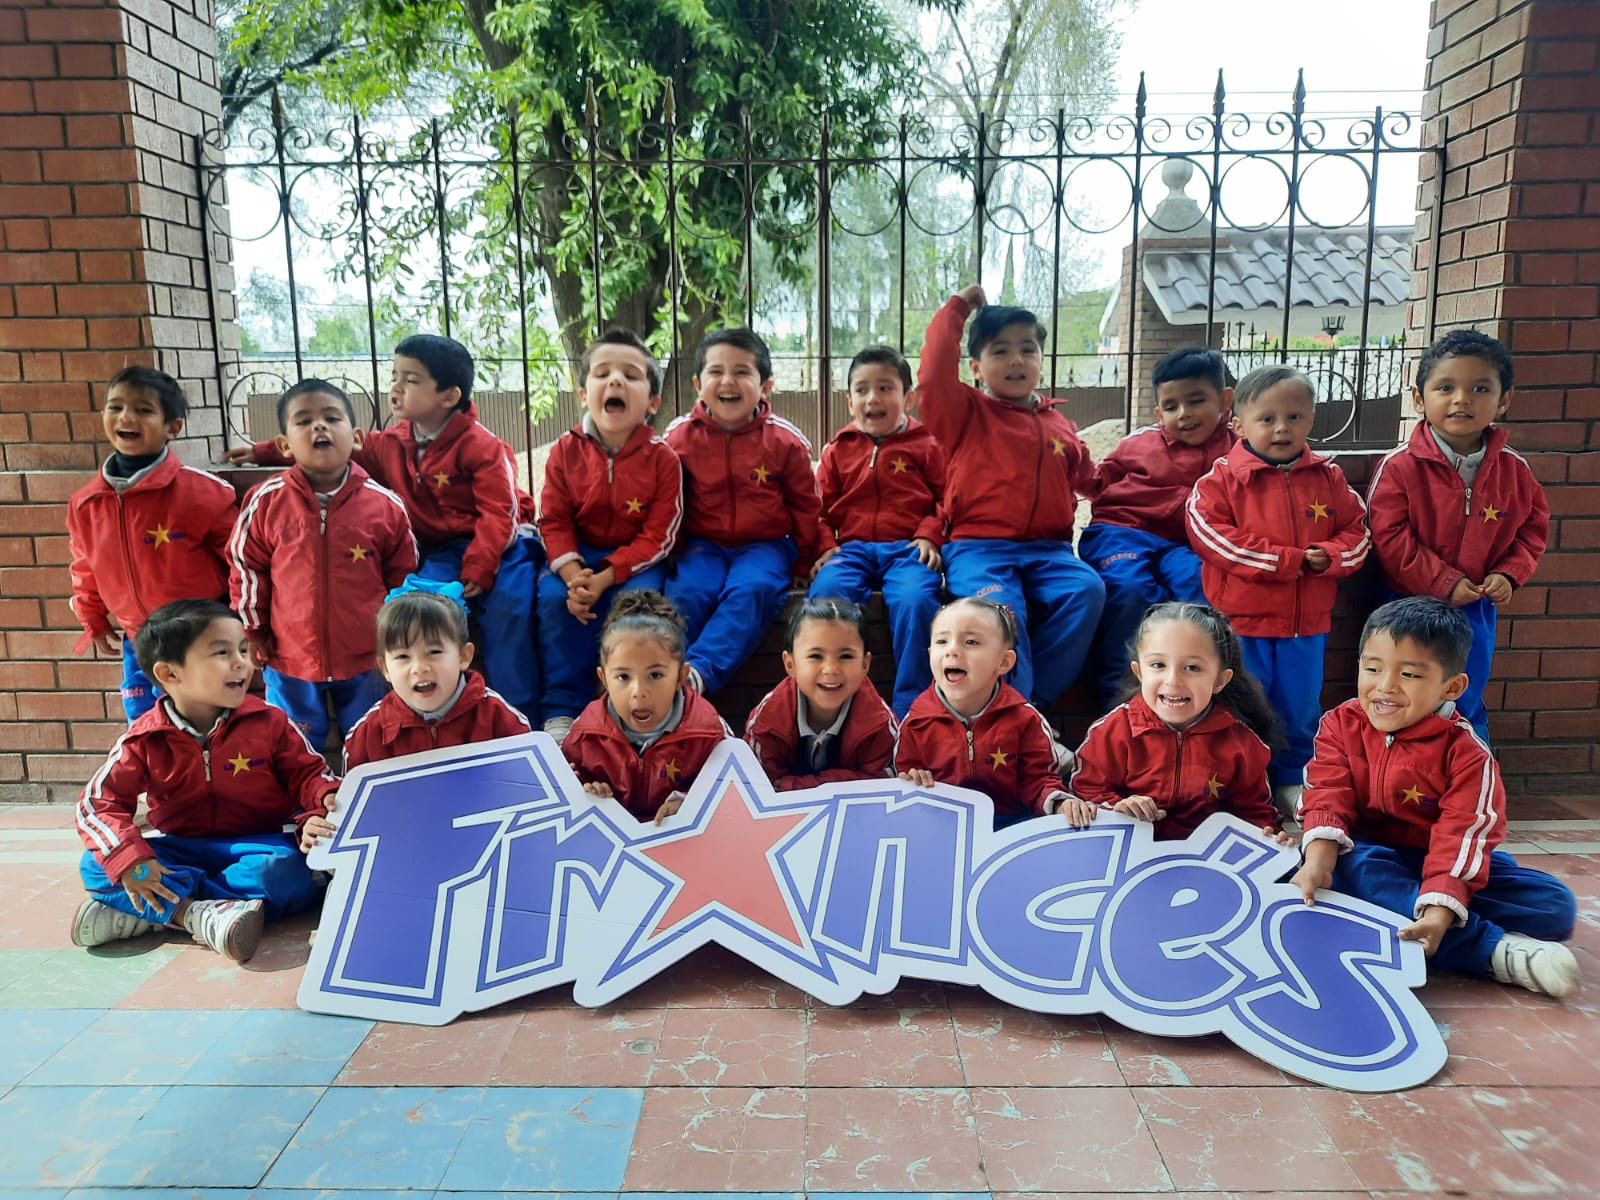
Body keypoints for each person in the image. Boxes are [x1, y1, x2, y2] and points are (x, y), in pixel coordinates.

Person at [226, 334, 541, 721]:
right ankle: (442, 706)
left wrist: (480, 565)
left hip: (500, 546)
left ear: (447, 396)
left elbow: (501, 514)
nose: (395, 387)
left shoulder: (484, 446)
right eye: (395, 375)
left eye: (411, 379)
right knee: (421, 606)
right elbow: (327, 442)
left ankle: (515, 711)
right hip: (437, 553)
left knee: (509, 608)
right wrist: (263, 451)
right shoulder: (390, 443)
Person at [1292, 597, 1579, 998]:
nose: (1385, 685)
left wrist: (1441, 905)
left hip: (1440, 859)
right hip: (1369, 854)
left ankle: (1415, 910)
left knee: (1554, 905)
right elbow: (1326, 794)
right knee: (1353, 867)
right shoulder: (1340, 724)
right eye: (1372, 668)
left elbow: (1463, 837)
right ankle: (1493, 951)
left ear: (1452, 686)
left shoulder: (1467, 754)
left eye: (1408, 673)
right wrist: (1319, 862)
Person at [70, 599, 340, 962]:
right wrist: (133, 860)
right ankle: (197, 916)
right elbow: (95, 806)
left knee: (289, 871)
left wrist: (320, 808)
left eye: (242, 650)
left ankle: (155, 912)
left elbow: (310, 776)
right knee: (99, 864)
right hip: (180, 847)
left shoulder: (270, 722)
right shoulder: (144, 739)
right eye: (221, 653)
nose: (242, 663)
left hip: (255, 845)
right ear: (169, 674)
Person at [1185, 365, 1368, 816]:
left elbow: (1358, 530)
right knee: (1236, 708)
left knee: (1300, 709)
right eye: (1267, 419)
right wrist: (1286, 561)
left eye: (1294, 417)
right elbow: (1210, 536)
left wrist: (1333, 555)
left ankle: (1290, 783)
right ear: (1238, 424)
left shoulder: (1329, 478)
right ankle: (1232, 786)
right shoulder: (1220, 480)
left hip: (1305, 627)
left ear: (1311, 419)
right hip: (1241, 624)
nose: (1281, 428)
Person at [915, 285, 1104, 711]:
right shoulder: (965, 412)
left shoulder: (1060, 423)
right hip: (979, 548)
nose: (1017, 360)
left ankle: (1026, 710)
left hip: (1051, 552)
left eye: (1027, 349)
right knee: (1003, 612)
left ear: (1040, 360)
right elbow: (931, 374)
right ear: (976, 367)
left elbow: (1093, 479)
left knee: (1089, 590)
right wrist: (958, 308)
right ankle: (1016, 715)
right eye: (1000, 351)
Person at [1365, 330, 1547, 743]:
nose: (1461, 399)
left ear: (1504, 400)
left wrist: (1509, 574)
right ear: (1418, 398)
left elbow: (1533, 531)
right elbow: (1388, 537)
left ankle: (1468, 771)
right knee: (1404, 691)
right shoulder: (1399, 466)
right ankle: (1397, 775)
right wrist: (1444, 583)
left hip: (1477, 608)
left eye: (1480, 388)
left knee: (1464, 690)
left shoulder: (1514, 470)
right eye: (1445, 387)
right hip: (1405, 605)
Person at [228, 379, 416, 748]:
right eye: (303, 421)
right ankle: (306, 804)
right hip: (289, 657)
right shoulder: (265, 501)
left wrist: (395, 638)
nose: (319, 427)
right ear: (283, 445)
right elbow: (246, 567)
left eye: (332, 418)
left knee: (370, 741)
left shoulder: (385, 505)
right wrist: (253, 629)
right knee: (293, 746)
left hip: (367, 657)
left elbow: (403, 578)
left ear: (357, 437)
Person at [664, 328, 831, 694]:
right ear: (697, 382)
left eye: (742, 371)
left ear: (765, 386)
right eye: (716, 371)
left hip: (766, 545)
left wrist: (803, 560)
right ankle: (663, 675)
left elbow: (806, 506)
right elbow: (665, 501)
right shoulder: (677, 439)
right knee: (686, 593)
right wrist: (671, 552)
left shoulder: (784, 439)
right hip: (701, 544)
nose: (728, 381)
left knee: (752, 589)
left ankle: (698, 675)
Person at [67, 366, 238, 721]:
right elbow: (85, 566)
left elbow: (241, 560)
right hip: (138, 640)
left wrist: (241, 622)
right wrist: (92, 616)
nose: (126, 417)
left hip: (200, 639)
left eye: (143, 410)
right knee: (145, 726)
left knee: (209, 723)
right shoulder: (86, 503)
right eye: (115, 407)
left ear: (172, 426)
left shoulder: (201, 493)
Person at [537, 330, 683, 740]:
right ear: (584, 394)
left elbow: (660, 535)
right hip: (576, 559)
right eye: (602, 373)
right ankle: (562, 711)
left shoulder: (663, 459)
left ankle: (622, 711)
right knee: (553, 602)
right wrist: (574, 576)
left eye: (630, 375)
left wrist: (604, 577)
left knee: (633, 611)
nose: (615, 381)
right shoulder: (564, 452)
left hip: (636, 561)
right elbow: (553, 521)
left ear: (652, 403)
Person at [1079, 347, 1236, 707]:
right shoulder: (1140, 444)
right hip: (1122, 531)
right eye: (1171, 406)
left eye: (1196, 401)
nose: (1184, 415)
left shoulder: (1238, 450)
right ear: (1157, 412)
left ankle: (1198, 686)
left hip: (1183, 544)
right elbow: (1096, 482)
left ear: (1225, 399)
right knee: (1130, 587)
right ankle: (1117, 690)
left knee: (1200, 584)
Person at [1060, 602, 1283, 841]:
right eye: (1158, 665)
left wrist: (1271, 836)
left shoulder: (1242, 743)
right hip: (1126, 859)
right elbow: (1084, 793)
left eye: (1192, 667)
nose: (1173, 680)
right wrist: (1118, 808)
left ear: (1220, 680)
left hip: (1203, 864)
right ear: (1139, 671)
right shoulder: (1110, 732)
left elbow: (1254, 813)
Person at [810, 346, 946, 716]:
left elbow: (947, 498)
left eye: (886, 388)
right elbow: (817, 508)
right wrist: (825, 545)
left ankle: (912, 708)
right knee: (826, 598)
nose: (874, 398)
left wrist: (930, 534)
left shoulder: (928, 446)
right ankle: (838, 699)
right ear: (849, 400)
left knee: (916, 600)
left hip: (907, 551)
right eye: (862, 389)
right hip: (851, 550)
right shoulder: (838, 450)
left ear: (908, 397)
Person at [895, 597, 1070, 827]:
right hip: (942, 829)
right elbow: (901, 783)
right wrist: (910, 782)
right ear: (929, 653)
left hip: (1010, 826)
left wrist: (1058, 803)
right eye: (941, 641)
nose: (952, 651)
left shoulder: (1026, 719)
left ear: (1004, 662)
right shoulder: (916, 722)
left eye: (970, 642)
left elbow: (1039, 780)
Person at [562, 590, 733, 823]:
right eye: (623, 677)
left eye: (655, 675)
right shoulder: (583, 734)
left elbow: (735, 792)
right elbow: (565, 789)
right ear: (604, 679)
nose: (638, 691)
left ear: (681, 676)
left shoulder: (711, 732)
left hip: (683, 848)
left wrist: (690, 803)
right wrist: (586, 790)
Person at [343, 580, 531, 770]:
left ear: (463, 656)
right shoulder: (367, 734)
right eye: (402, 656)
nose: (419, 668)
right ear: (385, 668)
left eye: (433, 652)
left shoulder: (499, 718)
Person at [744, 597, 898, 790]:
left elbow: (880, 786)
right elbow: (759, 787)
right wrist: (846, 780)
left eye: (846, 656)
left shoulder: (881, 724)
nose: (831, 669)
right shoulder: (766, 721)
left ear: (865, 664)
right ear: (790, 664)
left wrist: (795, 784)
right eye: (816, 656)